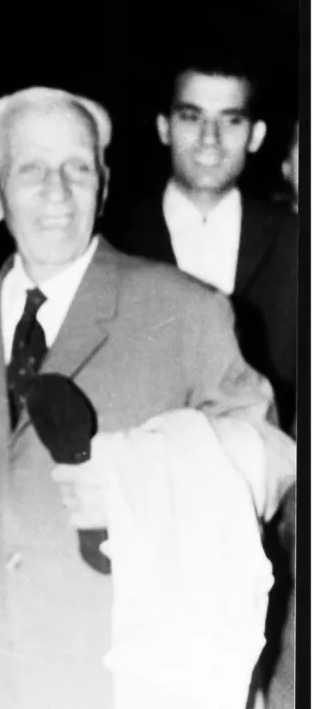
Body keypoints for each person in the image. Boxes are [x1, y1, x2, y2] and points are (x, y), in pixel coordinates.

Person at [0, 86, 296, 709]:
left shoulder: (184, 308)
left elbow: (273, 456)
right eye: (32, 169)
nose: (59, 191)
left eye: (78, 168)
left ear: (104, 186)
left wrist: (139, 481)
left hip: (118, 696)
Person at [108, 62, 297, 433]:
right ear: (164, 127)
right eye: (192, 117)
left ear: (256, 136)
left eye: (231, 120)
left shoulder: (297, 243)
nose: (210, 138)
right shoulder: (115, 244)